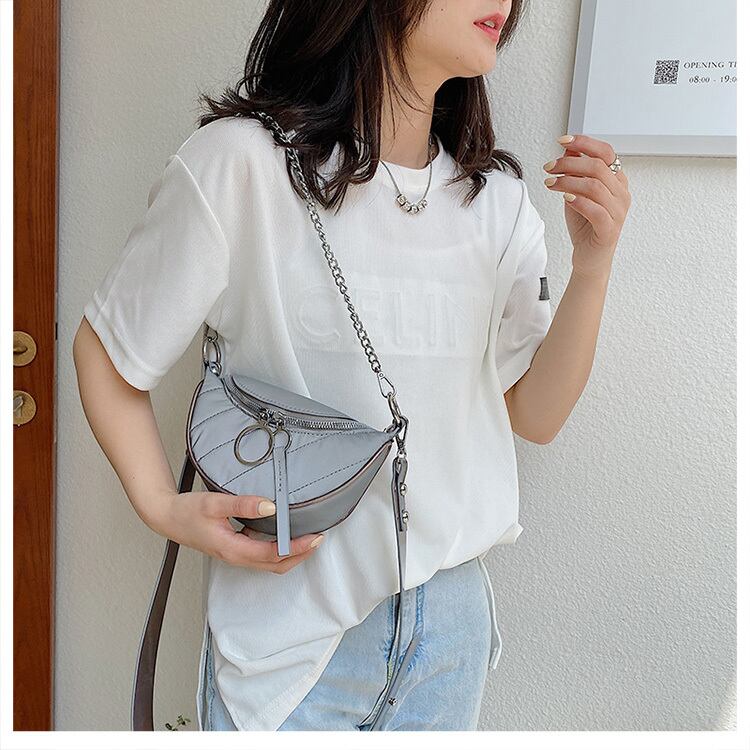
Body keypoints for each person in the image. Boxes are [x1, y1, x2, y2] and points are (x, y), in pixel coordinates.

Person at [73, 0, 630, 732]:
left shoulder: (494, 202)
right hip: (288, 641)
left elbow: (536, 413)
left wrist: (593, 266)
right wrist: (161, 507)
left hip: (449, 631)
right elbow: (108, 349)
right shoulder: (243, 165)